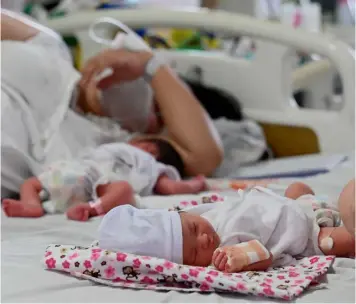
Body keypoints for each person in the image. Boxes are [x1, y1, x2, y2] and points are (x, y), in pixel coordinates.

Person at [1, 9, 223, 199]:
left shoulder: (108, 154)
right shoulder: (49, 47)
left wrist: (151, 66)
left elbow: (205, 155)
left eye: (158, 107)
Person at [97, 180, 355, 272]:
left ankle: (315, 201)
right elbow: (263, 256)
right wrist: (242, 258)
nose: (204, 241)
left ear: (184, 214)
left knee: (297, 188)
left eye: (194, 230)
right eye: (194, 253)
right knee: (339, 240)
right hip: (310, 234)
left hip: (294, 205)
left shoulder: (205, 212)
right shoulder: (225, 252)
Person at [2, 140, 207, 221]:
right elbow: (170, 188)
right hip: (83, 174)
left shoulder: (151, 163)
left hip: (81, 175)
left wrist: (195, 184)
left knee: (32, 183)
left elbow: (170, 186)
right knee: (123, 189)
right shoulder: (112, 149)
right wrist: (197, 184)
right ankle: (90, 208)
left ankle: (32, 203)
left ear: (150, 149)